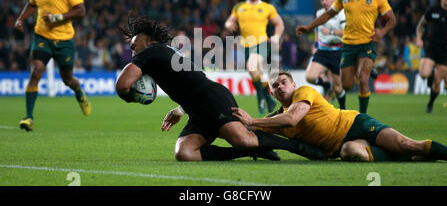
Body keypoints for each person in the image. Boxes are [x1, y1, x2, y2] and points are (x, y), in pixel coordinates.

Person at [115, 14, 326, 162]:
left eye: (134, 45)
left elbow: (122, 85)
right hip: (197, 108)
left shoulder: (151, 52)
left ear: (147, 40)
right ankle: (252, 152)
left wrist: (133, 96)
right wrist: (181, 108)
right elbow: (189, 79)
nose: (133, 50)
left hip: (211, 99)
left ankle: (299, 147)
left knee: (244, 139)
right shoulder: (163, 53)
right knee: (185, 152)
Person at [232, 71, 447, 162]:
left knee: (407, 144)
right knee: (353, 153)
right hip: (341, 146)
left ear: (293, 85)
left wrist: (252, 120)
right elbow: (252, 132)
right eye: (275, 86)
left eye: (283, 82)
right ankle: (407, 157)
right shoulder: (276, 119)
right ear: (271, 92)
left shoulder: (304, 92)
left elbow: (292, 119)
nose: (280, 87)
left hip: (355, 124)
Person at [296, 0, 396, 114]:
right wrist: (309, 27)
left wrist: (382, 32)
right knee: (346, 85)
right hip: (348, 46)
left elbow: (391, 19)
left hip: (367, 43)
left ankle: (363, 116)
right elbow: (329, 14)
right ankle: (364, 67)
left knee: (363, 79)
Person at [14, 0, 91, 131]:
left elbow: (81, 11)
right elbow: (32, 5)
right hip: (42, 37)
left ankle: (79, 93)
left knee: (68, 80)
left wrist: (57, 17)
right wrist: (20, 19)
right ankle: (29, 118)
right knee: (36, 72)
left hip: (64, 40)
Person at [224, 0, 285, 115]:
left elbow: (279, 24)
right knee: (254, 72)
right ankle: (269, 99)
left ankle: (260, 97)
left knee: (252, 66)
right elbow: (229, 21)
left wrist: (276, 36)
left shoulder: (267, 7)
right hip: (246, 45)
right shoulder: (240, 7)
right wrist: (228, 25)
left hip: (262, 42)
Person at [305, 0, 346, 109]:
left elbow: (346, 32)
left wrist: (331, 32)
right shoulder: (319, 13)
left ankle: (343, 109)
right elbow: (317, 30)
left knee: (338, 88)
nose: (324, 2)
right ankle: (326, 85)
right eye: (322, 0)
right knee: (310, 77)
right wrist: (316, 45)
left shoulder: (341, 12)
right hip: (323, 50)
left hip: (337, 51)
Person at [416, 0, 447, 113]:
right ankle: (430, 77)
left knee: (437, 82)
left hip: (446, 50)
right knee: (424, 74)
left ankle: (430, 103)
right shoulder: (433, 10)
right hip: (431, 46)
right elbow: (421, 25)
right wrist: (419, 38)